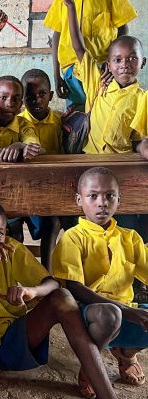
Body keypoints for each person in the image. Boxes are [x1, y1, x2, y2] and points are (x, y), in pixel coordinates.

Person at [0, 199, 118, 399]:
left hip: (13, 344)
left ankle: (107, 394)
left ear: (6, 233)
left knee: (62, 297)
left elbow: (53, 284)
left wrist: (32, 291)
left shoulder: (12, 250)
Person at [52, 167, 148, 397]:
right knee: (110, 315)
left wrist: (130, 311)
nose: (102, 202)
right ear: (79, 200)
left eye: (109, 196)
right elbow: (74, 288)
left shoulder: (130, 238)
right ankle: (91, 365)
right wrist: (126, 311)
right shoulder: (73, 238)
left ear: (118, 200)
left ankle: (126, 354)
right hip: (91, 316)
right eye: (93, 196)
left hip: (126, 312)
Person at [44, 0, 137, 112]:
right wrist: (56, 75)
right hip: (71, 70)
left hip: (103, 69)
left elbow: (122, 31)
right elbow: (57, 35)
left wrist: (114, 64)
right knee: (76, 116)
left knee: (102, 111)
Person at [58, 0, 145, 156]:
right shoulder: (98, 82)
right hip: (89, 158)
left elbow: (138, 140)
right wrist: (70, 6)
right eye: (118, 60)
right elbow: (78, 47)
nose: (124, 64)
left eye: (132, 58)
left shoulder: (142, 99)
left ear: (143, 62)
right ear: (109, 64)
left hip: (119, 162)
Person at [13, 68, 62, 270]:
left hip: (50, 187)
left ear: (51, 95)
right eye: (30, 96)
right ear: (22, 98)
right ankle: (18, 270)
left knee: (53, 222)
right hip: (20, 187)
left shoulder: (60, 122)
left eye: (42, 94)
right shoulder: (17, 122)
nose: (37, 100)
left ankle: (47, 271)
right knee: (13, 226)